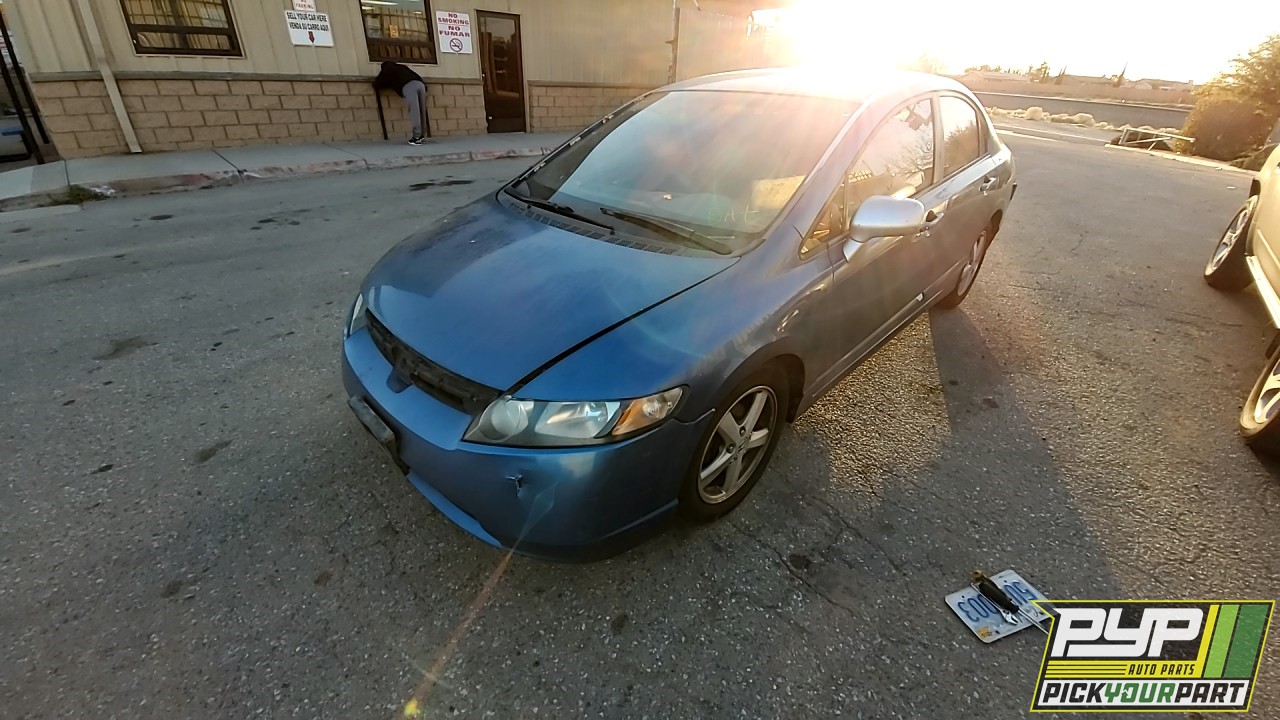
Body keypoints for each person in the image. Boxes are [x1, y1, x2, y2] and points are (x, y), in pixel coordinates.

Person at [373, 62, 429, 145]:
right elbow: (416, 76)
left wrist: (375, 85)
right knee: (422, 111)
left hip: (409, 86)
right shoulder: (402, 67)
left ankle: (416, 137)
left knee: (414, 111)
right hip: (420, 84)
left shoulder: (387, 69)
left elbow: (379, 82)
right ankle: (422, 136)